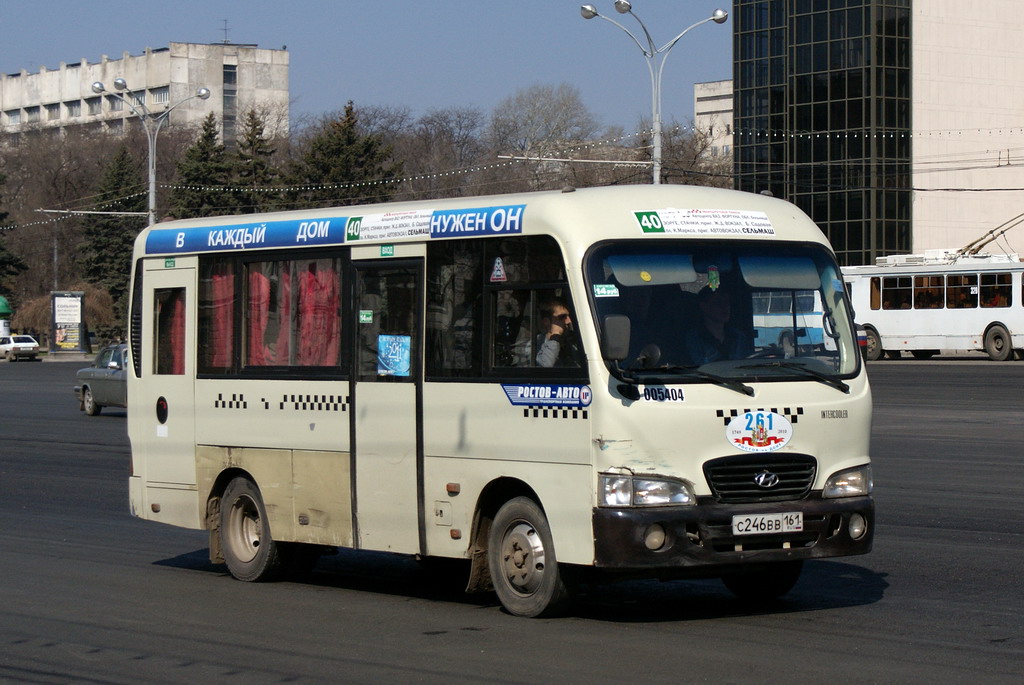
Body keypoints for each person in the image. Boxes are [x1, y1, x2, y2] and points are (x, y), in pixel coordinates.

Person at [684, 286, 752, 365]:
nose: (725, 307)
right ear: (704, 306)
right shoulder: (694, 338)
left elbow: (748, 364)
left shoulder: (738, 336)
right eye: (719, 302)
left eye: (727, 302)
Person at [536, 297, 581, 368]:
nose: (568, 321)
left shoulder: (573, 343)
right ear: (546, 321)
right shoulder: (535, 344)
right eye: (562, 317)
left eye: (569, 316)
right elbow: (545, 365)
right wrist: (555, 336)